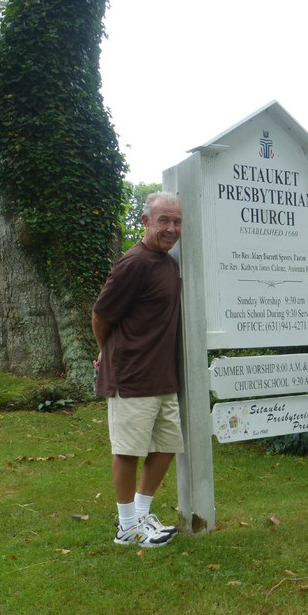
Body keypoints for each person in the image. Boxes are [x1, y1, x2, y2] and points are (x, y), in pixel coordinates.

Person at [91, 192, 184, 547]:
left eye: (176, 221)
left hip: (162, 375)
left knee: (167, 445)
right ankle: (126, 526)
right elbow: (101, 314)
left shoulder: (168, 262)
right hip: (132, 376)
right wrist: (106, 351)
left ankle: (142, 517)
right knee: (129, 450)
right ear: (145, 222)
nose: (171, 228)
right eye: (164, 220)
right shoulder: (134, 263)